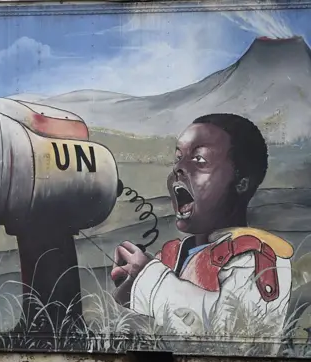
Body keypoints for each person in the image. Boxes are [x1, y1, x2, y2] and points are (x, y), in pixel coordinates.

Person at [110, 113, 293, 336]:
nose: (178, 167)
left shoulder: (258, 260)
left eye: (199, 160)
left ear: (241, 182)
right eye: (178, 157)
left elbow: (234, 340)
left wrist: (147, 277)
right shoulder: (171, 256)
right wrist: (129, 285)